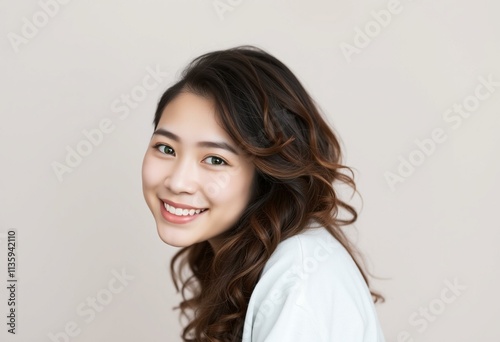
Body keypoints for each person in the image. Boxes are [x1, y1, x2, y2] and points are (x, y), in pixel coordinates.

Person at [141, 45, 386, 342]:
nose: (178, 182)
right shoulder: (248, 255)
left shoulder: (298, 279)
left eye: (216, 160)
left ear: (266, 172)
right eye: (166, 149)